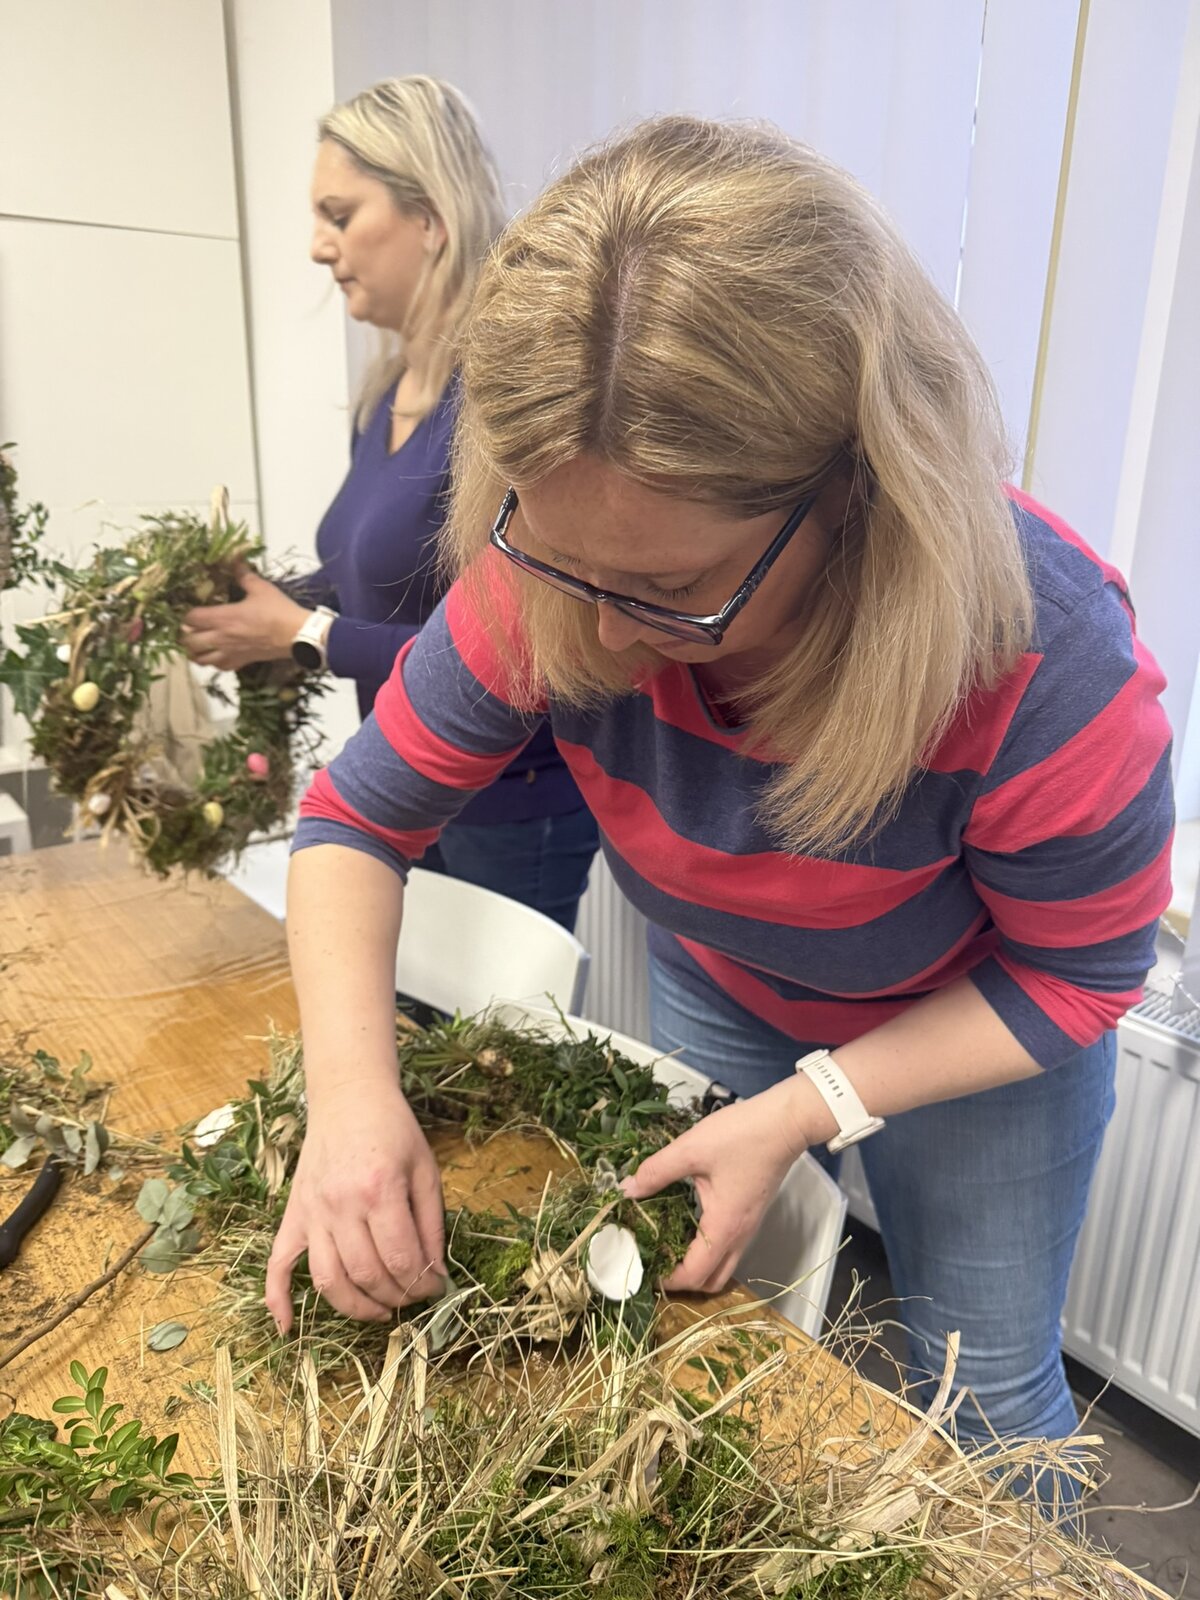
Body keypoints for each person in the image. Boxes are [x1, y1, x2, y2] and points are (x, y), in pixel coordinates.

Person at [267, 116, 1173, 1472]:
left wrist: (812, 1104)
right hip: (726, 981)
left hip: (972, 1027)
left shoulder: (1048, 660)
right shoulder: (560, 566)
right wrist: (349, 1098)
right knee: (702, 1326)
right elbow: (354, 820)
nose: (601, 634)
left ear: (860, 488)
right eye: (559, 561)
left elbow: (1077, 977)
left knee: (985, 1398)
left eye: (674, 589)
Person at [181, 76, 599, 930]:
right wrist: (257, 603)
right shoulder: (384, 399)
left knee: (493, 1018)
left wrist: (301, 635)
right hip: (410, 777)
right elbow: (376, 585)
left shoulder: (500, 405)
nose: (318, 247)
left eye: (339, 216)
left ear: (431, 218)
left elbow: (518, 655)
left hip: (505, 800)